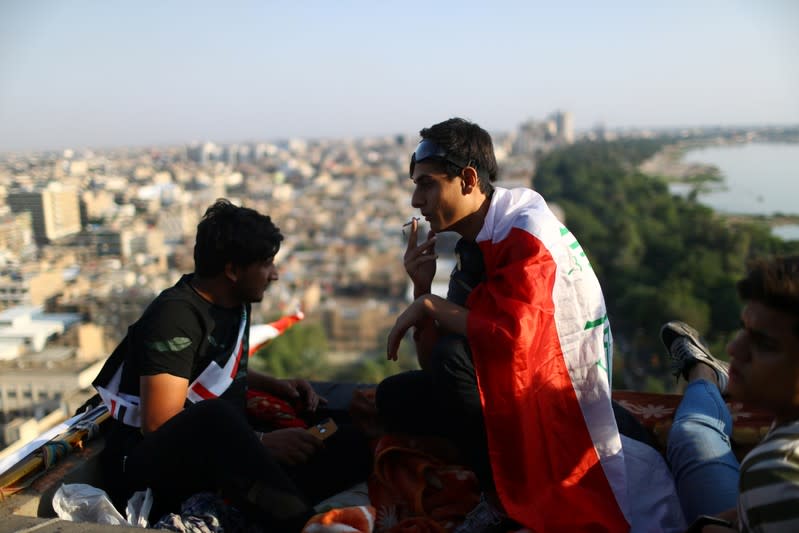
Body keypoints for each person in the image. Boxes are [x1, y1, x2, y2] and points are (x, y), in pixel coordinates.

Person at [377, 118, 629, 532]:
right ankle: (487, 455)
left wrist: (429, 306)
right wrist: (422, 288)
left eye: (426, 185)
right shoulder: (476, 244)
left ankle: (501, 498)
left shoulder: (526, 234)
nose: (416, 200)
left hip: (552, 394)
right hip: (509, 382)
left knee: (451, 361)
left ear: (468, 179)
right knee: (394, 397)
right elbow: (433, 363)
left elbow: (513, 341)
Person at [94, 199, 370, 530]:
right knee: (218, 417)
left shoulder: (235, 300)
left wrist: (275, 386)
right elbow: (159, 424)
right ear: (233, 270)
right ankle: (302, 523)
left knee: (350, 440)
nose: (275, 274)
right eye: (266, 264)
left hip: (228, 447)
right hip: (151, 465)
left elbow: (210, 371)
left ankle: (281, 505)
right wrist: (262, 443)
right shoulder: (175, 316)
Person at [662, 255, 799, 532]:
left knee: (694, 432)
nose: (735, 348)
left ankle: (703, 371)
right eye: (743, 329)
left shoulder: (776, 470)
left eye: (764, 344)